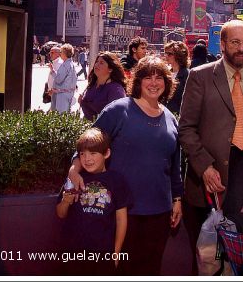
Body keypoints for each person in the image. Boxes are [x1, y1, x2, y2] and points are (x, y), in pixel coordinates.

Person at [69, 56, 183, 276]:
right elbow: (88, 143)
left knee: (151, 269)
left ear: (167, 83)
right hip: (122, 212)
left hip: (160, 212)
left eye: (159, 78)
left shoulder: (170, 117)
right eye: (147, 77)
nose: (153, 82)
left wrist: (177, 199)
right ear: (138, 81)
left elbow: (175, 164)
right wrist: (74, 168)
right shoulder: (118, 110)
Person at [178, 20, 243, 273]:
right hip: (209, 180)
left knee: (239, 255)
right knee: (207, 256)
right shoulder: (200, 76)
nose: (241, 49)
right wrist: (205, 167)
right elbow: (186, 128)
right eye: (235, 42)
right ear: (222, 45)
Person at [56, 127, 130, 275]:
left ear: (106, 153)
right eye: (82, 154)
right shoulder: (75, 178)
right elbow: (60, 214)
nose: (87, 159)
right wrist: (65, 201)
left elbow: (121, 219)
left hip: (103, 254)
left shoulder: (116, 180)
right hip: (73, 253)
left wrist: (116, 253)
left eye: (93, 153)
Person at [79, 52, 127, 120]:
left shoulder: (116, 89)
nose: (97, 65)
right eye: (97, 62)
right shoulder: (92, 84)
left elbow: (117, 116)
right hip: (86, 127)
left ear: (110, 69)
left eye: (101, 63)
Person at [49, 43, 77, 113]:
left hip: (62, 95)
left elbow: (58, 80)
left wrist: (52, 71)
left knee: (60, 116)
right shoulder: (71, 64)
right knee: (65, 114)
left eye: (61, 52)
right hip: (67, 93)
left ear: (65, 53)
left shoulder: (65, 65)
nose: (60, 54)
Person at [164, 40, 190, 114]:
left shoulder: (187, 75)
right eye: (166, 53)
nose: (166, 56)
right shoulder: (166, 73)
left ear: (179, 56)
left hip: (179, 115)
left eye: (170, 54)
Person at [47, 45, 63, 111]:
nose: (50, 54)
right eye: (50, 52)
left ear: (58, 53)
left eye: (52, 52)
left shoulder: (59, 63)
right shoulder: (55, 62)